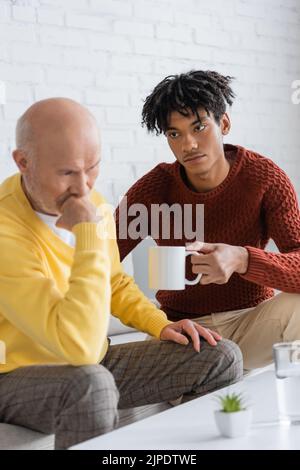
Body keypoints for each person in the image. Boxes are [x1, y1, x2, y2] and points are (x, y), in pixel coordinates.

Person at [0, 98, 242, 450]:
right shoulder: (6, 231)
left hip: (95, 361)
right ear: (23, 162)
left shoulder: (94, 204)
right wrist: (86, 233)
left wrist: (160, 324)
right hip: (16, 376)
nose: (83, 188)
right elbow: (78, 347)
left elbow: (114, 282)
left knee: (219, 356)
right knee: (90, 384)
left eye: (93, 168)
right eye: (67, 172)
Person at [115, 70, 300, 372]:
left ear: (223, 123)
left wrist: (242, 259)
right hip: (184, 333)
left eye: (198, 127)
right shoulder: (154, 188)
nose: (188, 144)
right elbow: (102, 261)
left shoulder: (265, 178)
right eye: (174, 134)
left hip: (252, 324)